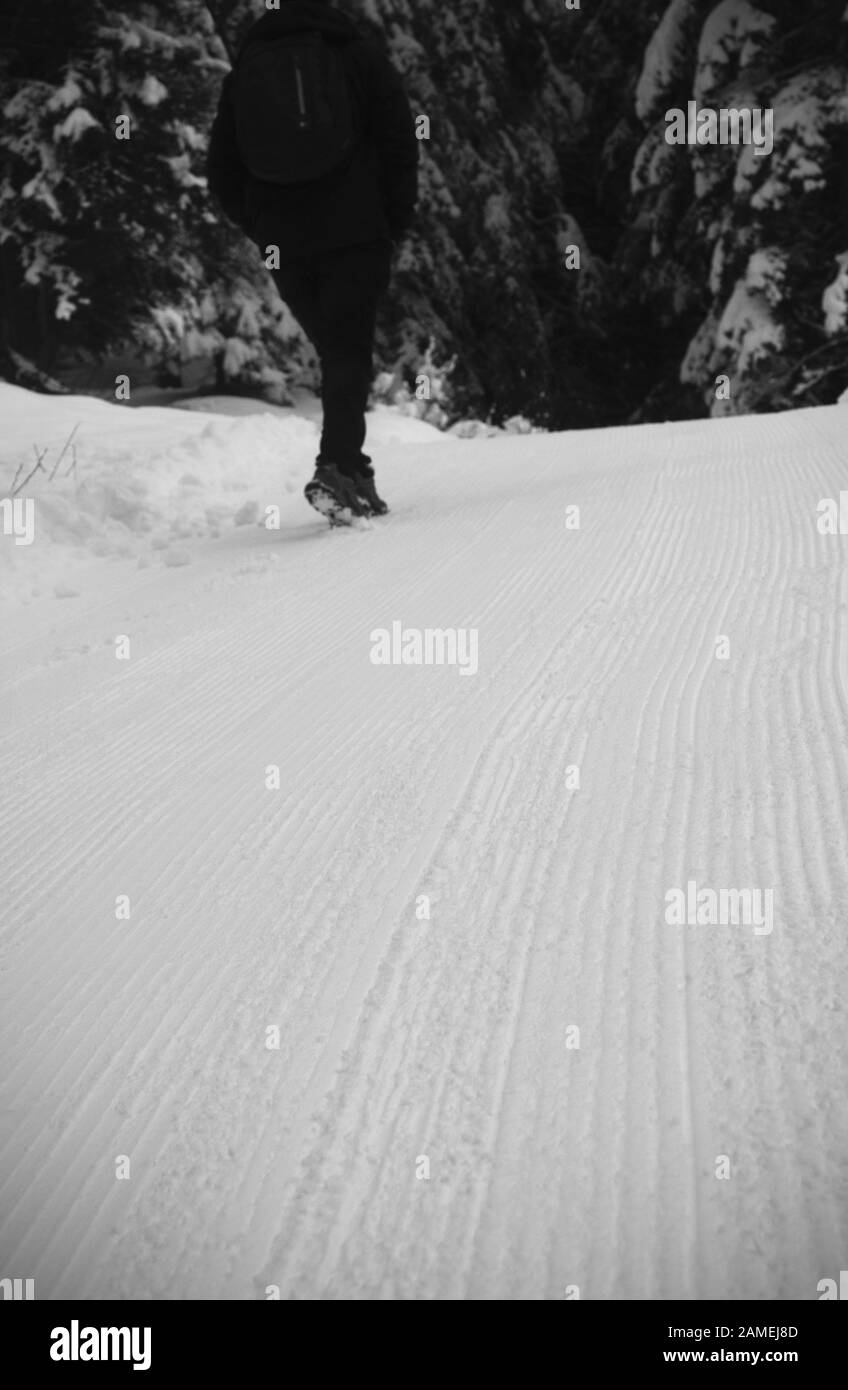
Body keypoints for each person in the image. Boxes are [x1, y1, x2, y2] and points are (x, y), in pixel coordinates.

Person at [207, 0, 418, 521]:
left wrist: (260, 225)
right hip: (356, 230)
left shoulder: (246, 72)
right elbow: (399, 143)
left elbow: (221, 171)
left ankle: (353, 468)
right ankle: (338, 467)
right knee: (347, 351)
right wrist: (392, 222)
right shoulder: (358, 56)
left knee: (336, 349)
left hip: (285, 241)